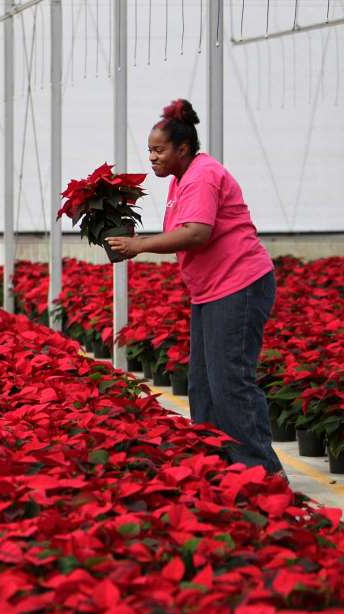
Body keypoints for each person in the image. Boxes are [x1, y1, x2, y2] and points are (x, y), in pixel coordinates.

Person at [106, 99, 283, 474]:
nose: (151, 157)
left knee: (231, 382)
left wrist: (139, 246)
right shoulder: (182, 179)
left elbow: (196, 233)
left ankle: (262, 472)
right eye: (149, 150)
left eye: (159, 150)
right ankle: (215, 463)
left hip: (239, 284)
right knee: (203, 384)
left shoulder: (202, 175)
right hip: (213, 290)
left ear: (182, 149)